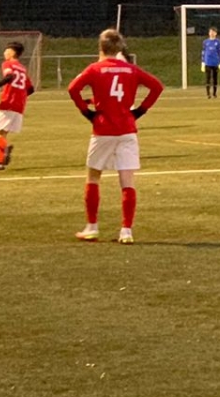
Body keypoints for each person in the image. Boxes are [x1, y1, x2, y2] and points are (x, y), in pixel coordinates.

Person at [68, 29, 164, 243]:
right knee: (127, 181)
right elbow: (157, 87)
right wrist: (139, 111)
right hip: (127, 129)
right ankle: (126, 231)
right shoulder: (131, 69)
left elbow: (73, 89)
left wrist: (87, 112)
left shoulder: (95, 69)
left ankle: (92, 227)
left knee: (93, 177)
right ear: (120, 47)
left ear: (100, 47)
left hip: (103, 129)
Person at [0, 41, 33, 170]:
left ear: (12, 52)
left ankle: (5, 149)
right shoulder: (22, 68)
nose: (4, 53)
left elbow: (9, 76)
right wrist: (20, 96)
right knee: (3, 134)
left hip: (8, 102)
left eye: (6, 50)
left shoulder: (8, 64)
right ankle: (0, 163)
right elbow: (31, 89)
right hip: (19, 105)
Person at [200, 27, 220, 99]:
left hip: (215, 62)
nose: (211, 33)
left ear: (216, 33)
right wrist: (203, 62)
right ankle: (208, 93)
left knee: (215, 78)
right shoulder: (205, 42)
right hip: (207, 62)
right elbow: (203, 52)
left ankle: (214, 93)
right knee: (207, 78)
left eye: (213, 32)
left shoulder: (218, 42)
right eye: (210, 32)